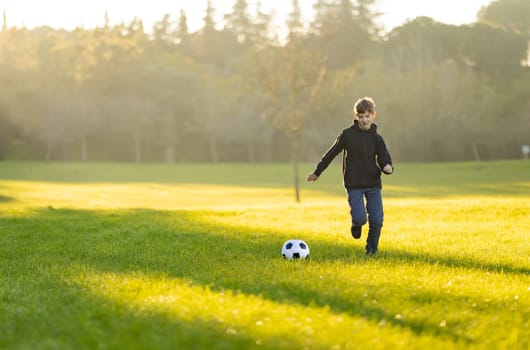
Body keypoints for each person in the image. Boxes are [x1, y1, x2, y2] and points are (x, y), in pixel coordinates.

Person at [306, 96, 393, 255]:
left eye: (367, 116)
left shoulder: (376, 138)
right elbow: (331, 153)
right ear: (355, 116)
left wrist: (387, 167)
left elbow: (383, 157)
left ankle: (371, 251)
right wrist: (317, 172)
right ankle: (356, 224)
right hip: (354, 184)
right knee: (360, 218)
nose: (364, 120)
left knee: (377, 220)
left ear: (373, 115)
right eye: (361, 117)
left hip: (373, 184)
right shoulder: (348, 135)